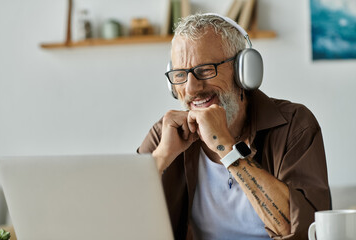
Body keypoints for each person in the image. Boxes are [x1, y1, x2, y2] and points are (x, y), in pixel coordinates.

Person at [138, 13, 330, 240]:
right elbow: (118, 221)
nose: (191, 89)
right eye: (180, 74)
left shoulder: (295, 126)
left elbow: (308, 231)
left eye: (206, 70)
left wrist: (227, 148)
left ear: (243, 71)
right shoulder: (165, 134)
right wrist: (160, 159)